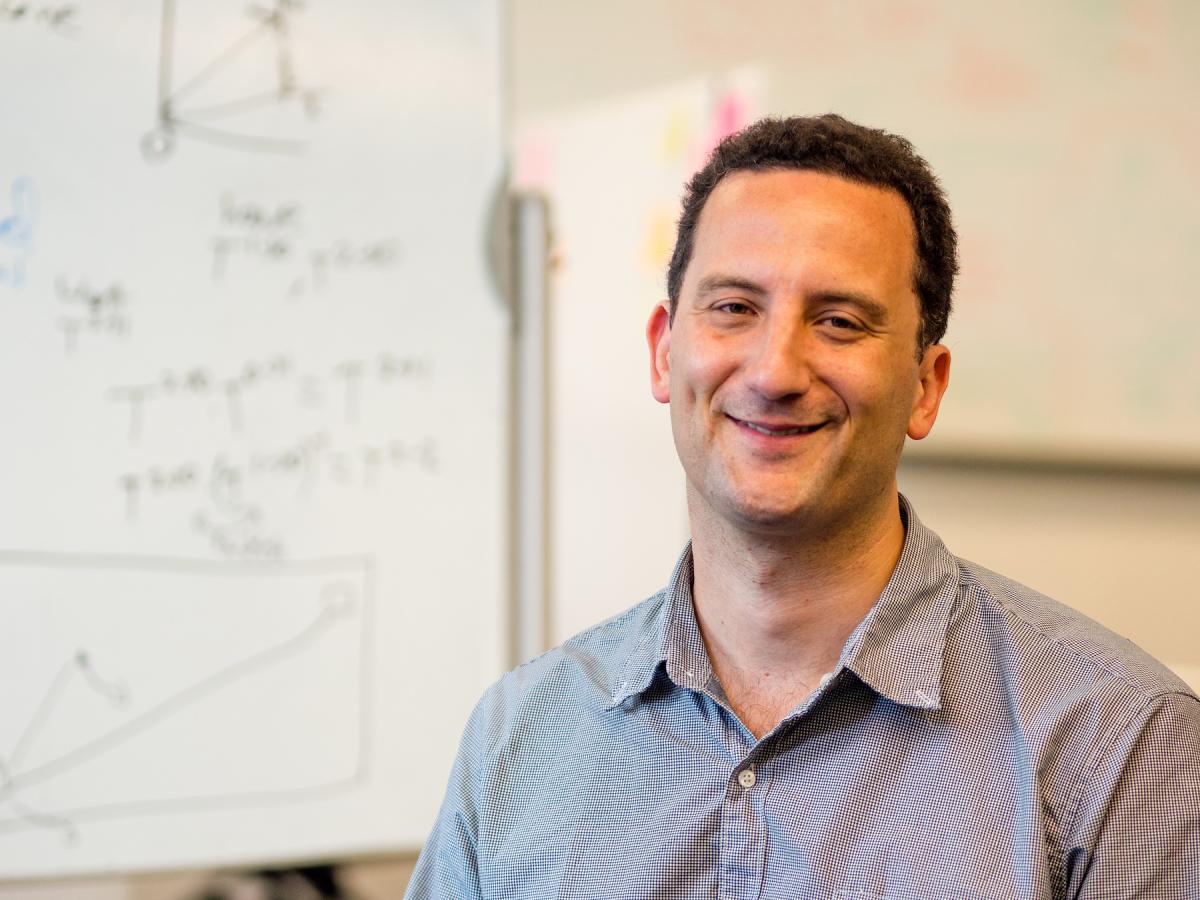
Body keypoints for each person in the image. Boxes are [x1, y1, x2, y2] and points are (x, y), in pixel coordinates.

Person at [406, 115, 1200, 899]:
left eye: (839, 322)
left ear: (927, 386)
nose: (775, 370)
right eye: (733, 308)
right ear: (663, 350)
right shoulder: (520, 738)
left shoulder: (1121, 742)